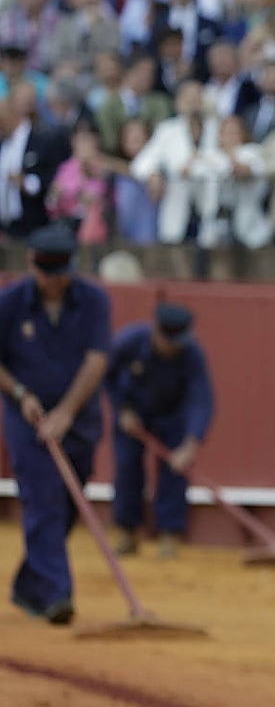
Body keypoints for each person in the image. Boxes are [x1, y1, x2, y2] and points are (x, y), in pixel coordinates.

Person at [0, 223, 111, 625]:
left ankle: (31, 587)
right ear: (32, 264)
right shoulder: (10, 302)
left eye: (60, 273)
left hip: (79, 418)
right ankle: (57, 596)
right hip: (25, 417)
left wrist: (65, 412)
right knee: (42, 498)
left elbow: (96, 359)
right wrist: (20, 395)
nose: (53, 281)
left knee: (67, 502)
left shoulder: (94, 300)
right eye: (47, 273)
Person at [106, 303, 215, 559]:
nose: (174, 347)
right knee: (127, 467)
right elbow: (105, 374)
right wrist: (121, 409)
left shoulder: (192, 353)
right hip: (133, 412)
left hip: (172, 415)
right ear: (156, 332)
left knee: (175, 470)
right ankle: (127, 532)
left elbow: (202, 399)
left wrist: (190, 444)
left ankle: (169, 533)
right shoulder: (129, 341)